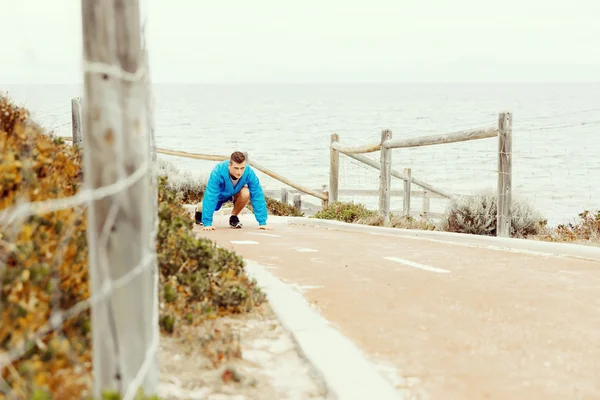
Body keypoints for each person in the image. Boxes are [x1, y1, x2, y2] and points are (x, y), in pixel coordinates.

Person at [195, 151, 271, 231]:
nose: (239, 172)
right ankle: (198, 210)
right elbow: (211, 196)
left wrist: (262, 223)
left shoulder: (249, 172)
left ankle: (233, 217)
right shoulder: (218, 172)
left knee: (246, 192)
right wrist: (207, 223)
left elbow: (257, 195)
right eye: (236, 168)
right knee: (204, 206)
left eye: (242, 168)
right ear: (229, 165)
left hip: (235, 193)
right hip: (219, 195)